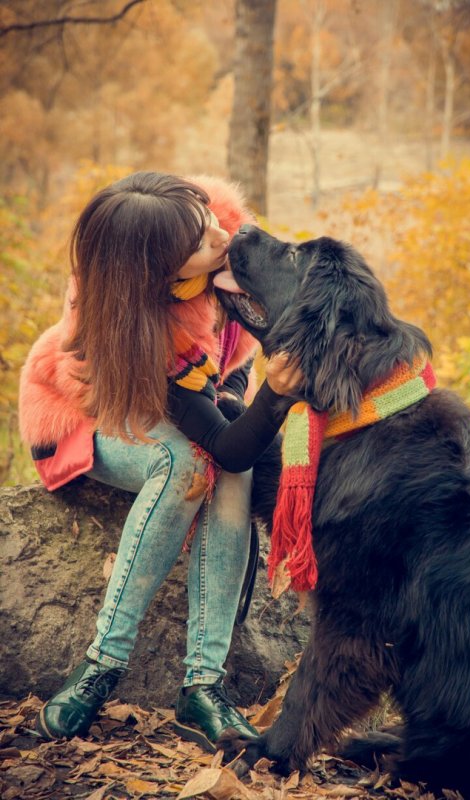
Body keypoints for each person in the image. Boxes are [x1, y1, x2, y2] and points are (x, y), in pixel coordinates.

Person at [18, 171, 301, 751]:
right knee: (187, 463)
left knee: (230, 470)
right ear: (161, 274)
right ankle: (102, 664)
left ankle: (203, 688)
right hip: (83, 416)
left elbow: (234, 353)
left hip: (173, 405)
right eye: (202, 242)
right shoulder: (139, 327)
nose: (222, 236)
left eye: (209, 220)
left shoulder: (214, 228)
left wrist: (239, 385)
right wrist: (274, 395)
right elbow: (221, 442)